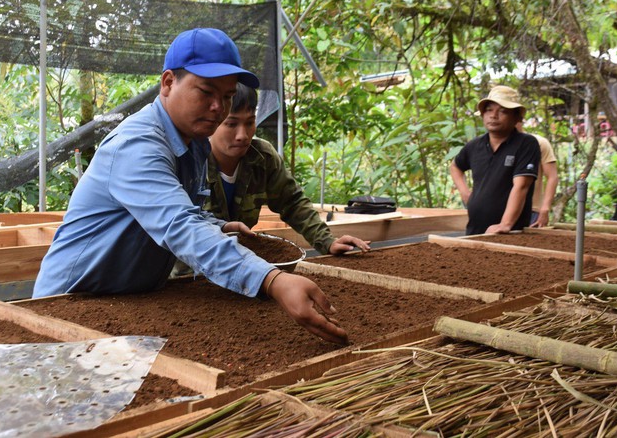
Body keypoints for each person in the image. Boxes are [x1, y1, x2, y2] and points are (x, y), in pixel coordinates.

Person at [33, 28, 348, 345]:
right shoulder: (138, 145)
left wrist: (218, 225)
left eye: (226, 96)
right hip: (67, 304)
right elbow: (179, 224)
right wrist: (273, 280)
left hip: (124, 303)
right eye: (206, 92)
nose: (218, 107)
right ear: (168, 83)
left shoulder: (194, 144)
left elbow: (185, 211)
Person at [205, 83, 371, 255]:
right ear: (213, 120)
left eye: (249, 123)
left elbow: (292, 202)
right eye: (231, 124)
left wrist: (327, 241)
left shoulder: (262, 158)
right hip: (187, 272)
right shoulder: (192, 162)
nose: (242, 135)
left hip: (240, 264)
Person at [449, 85, 540, 235]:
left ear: (517, 117)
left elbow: (522, 186)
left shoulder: (526, 144)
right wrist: (465, 193)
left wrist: (505, 224)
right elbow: (455, 166)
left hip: (510, 233)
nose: (494, 115)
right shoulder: (475, 146)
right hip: (474, 230)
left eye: (503, 111)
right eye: (489, 110)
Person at [516, 121, 558, 227]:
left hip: (531, 210)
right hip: (498, 209)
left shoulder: (539, 143)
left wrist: (545, 208)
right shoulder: (494, 144)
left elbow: (552, 176)